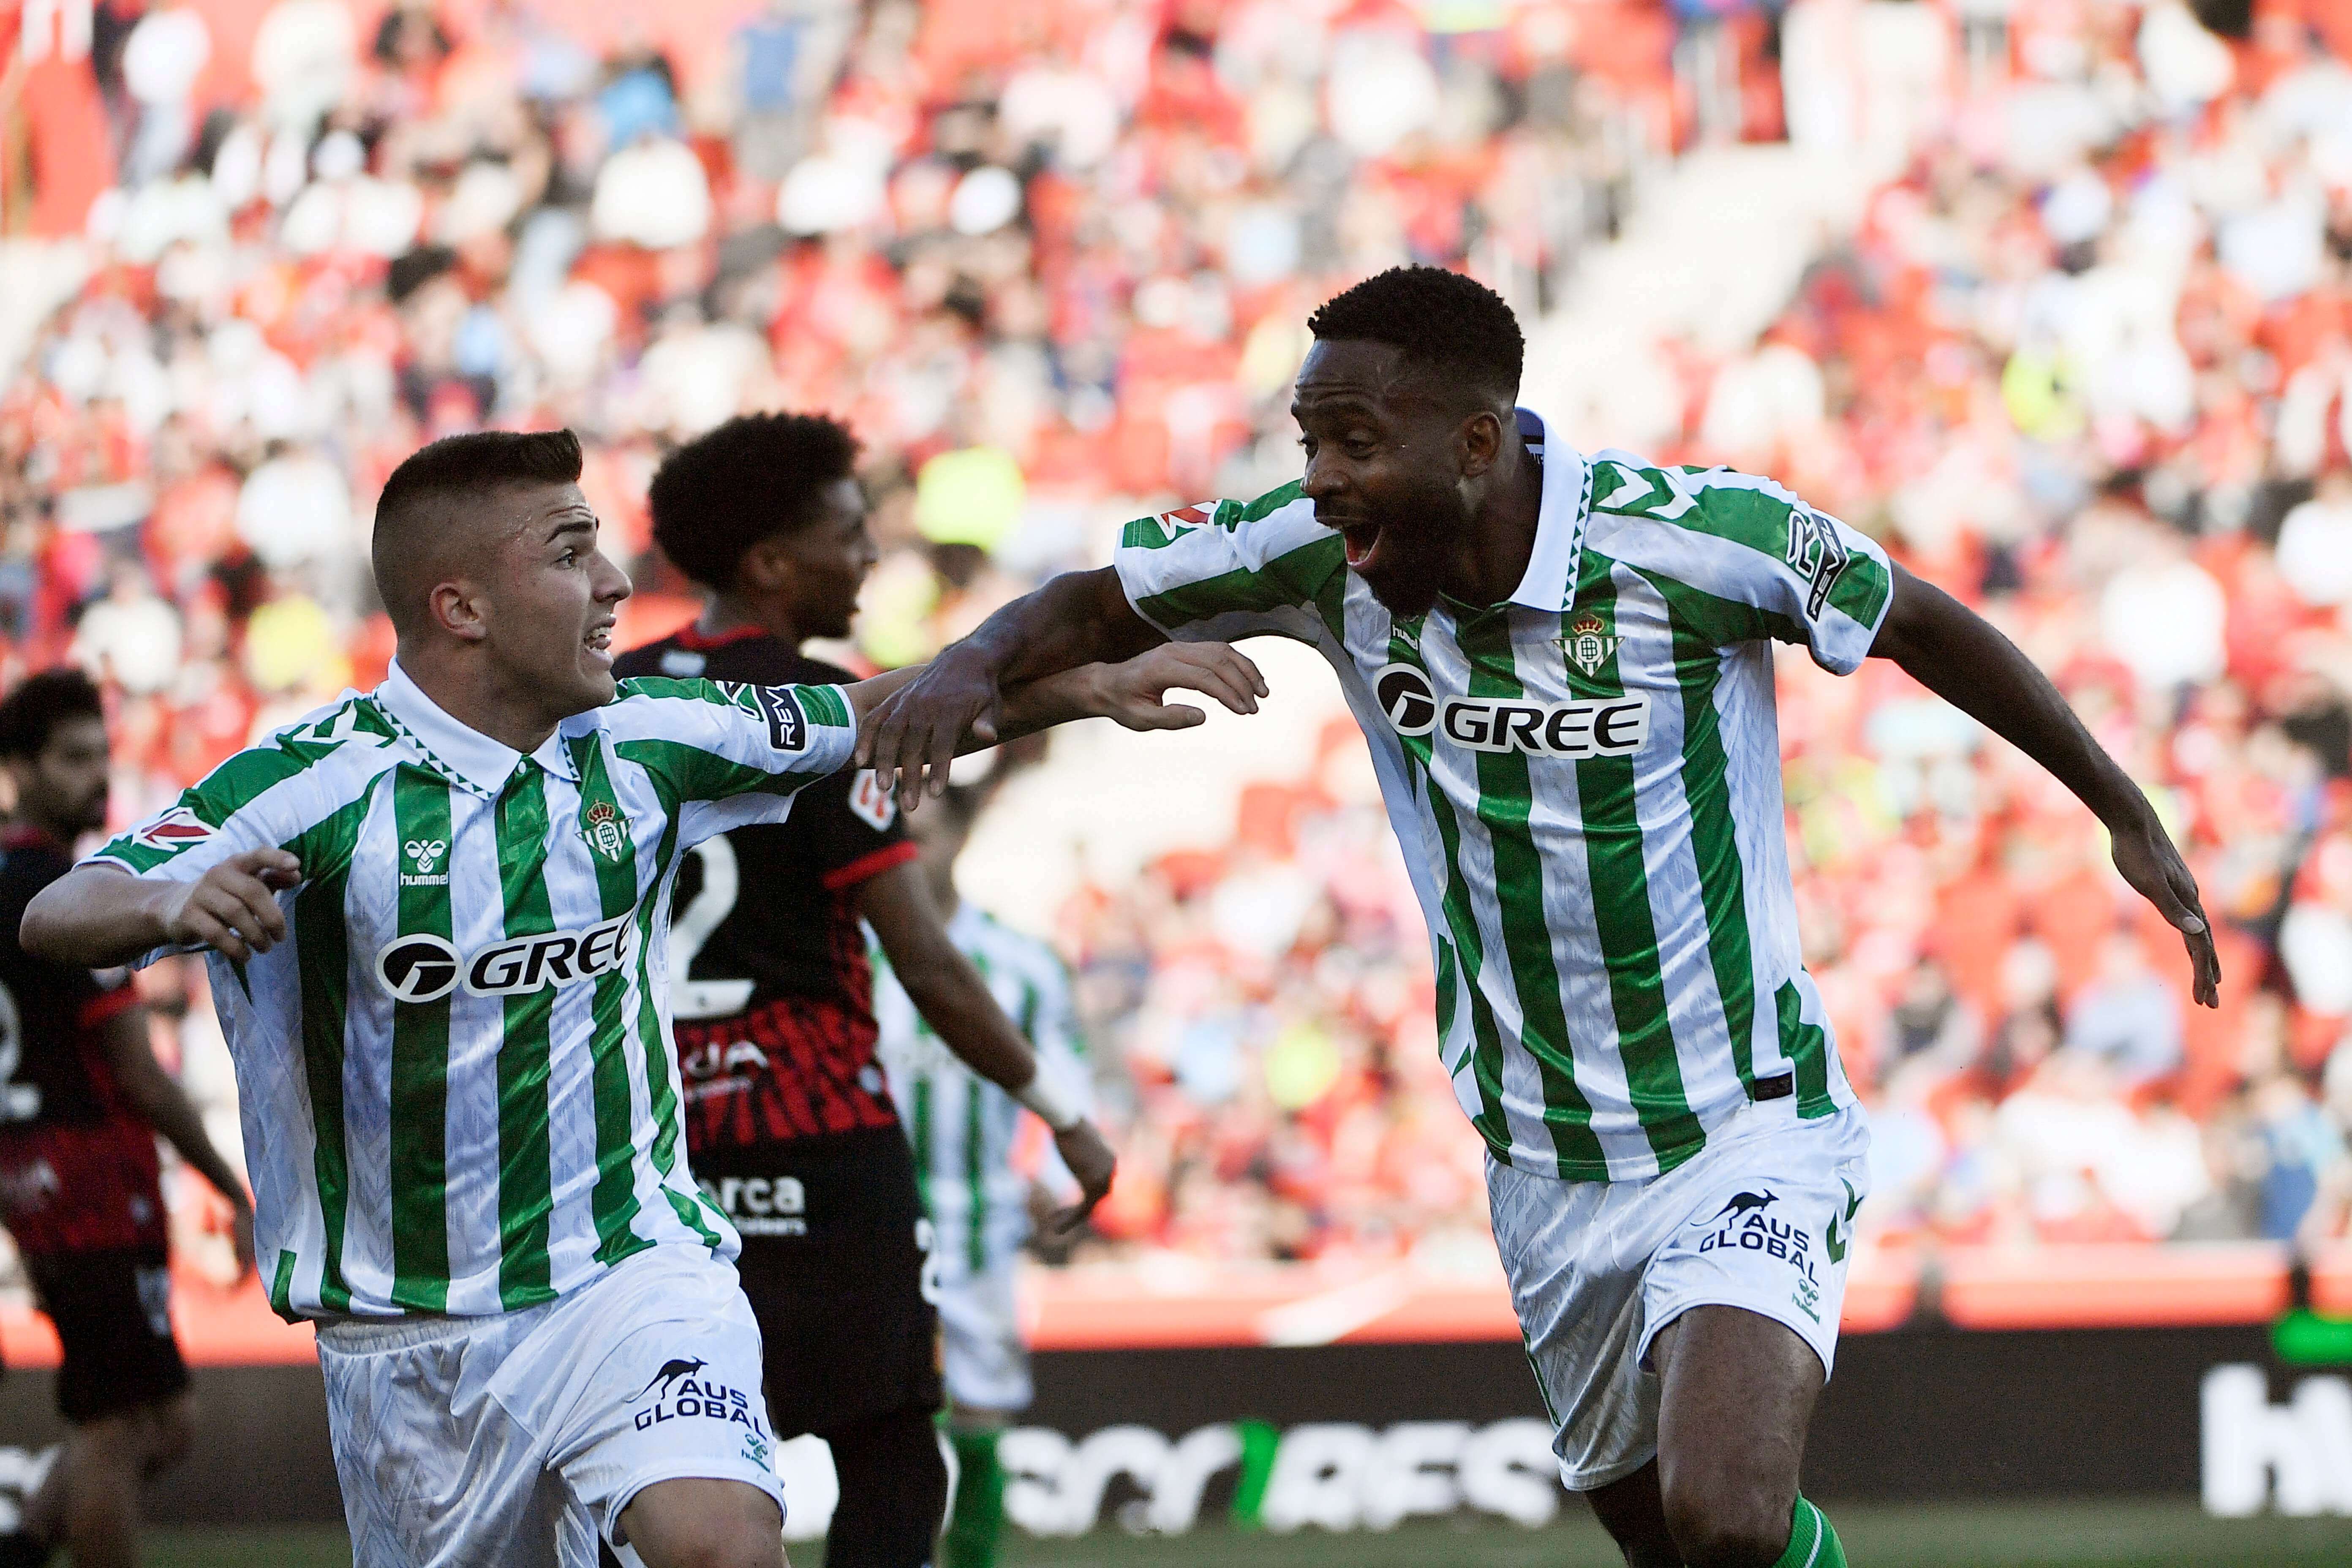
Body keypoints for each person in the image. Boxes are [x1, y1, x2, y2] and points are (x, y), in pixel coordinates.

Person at [858, 266, 2223, 1568]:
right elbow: (1094, 600)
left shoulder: (1696, 540)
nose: (1321, 477)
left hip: (1739, 1119)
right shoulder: (1317, 552)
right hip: (1538, 1156)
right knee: (1659, 1543)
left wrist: (2118, 807)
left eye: (1350, 440)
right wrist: (963, 662)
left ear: (1469, 442)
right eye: (1307, 440)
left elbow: (1917, 619)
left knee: (1726, 1522)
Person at [19, 429, 1261, 1568]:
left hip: (631, 1270)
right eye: (572, 555)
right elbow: (58, 911)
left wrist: (1078, 687)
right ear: (460, 606)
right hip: (406, 1339)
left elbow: (879, 711)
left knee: (721, 1542)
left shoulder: (647, 740)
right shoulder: (311, 784)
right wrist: (171, 905)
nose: (616, 584)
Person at [612, 412, 1122, 1567]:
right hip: (820, 1131)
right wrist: (1067, 1116)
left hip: (651, 1144)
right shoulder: (815, 708)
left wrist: (1084, 686)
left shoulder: (614, 701)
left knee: (648, 1459)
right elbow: (929, 962)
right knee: (891, 1450)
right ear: (772, 563)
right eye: (847, 535)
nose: (869, 557)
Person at [0, 669, 256, 1568]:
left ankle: (25, 1542)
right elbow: (141, 1076)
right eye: (72, 759)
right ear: (18, 768)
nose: (97, 778)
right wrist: (230, 1185)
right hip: (90, 1173)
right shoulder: (64, 904)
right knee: (120, 1421)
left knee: (165, 1417)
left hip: (31, 1169)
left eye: (101, 755)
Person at [870, 778, 1085, 1568]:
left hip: (981, 1224)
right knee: (884, 1419)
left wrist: (1051, 1182)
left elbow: (1068, 1083)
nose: (910, 851)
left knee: (983, 1411)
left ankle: (973, 1559)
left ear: (961, 840)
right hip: (873, 1225)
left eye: (924, 836)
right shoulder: (848, 954)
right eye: (897, 835)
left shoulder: (1023, 965)